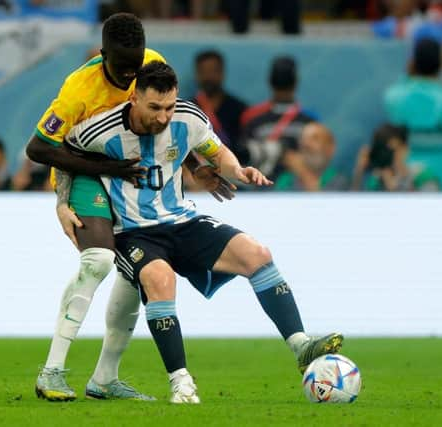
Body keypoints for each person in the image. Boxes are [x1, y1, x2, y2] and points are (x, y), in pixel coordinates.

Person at [64, 61, 344, 404]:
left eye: (169, 106)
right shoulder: (100, 130)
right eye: (155, 108)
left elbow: (216, 152)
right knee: (160, 278)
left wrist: (237, 170)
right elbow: (63, 155)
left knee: (257, 254)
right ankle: (181, 382)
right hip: (132, 232)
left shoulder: (188, 117)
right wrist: (64, 203)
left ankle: (300, 345)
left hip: (181, 220)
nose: (164, 117)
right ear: (134, 98)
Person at [26, 12, 232, 402]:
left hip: (133, 173)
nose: (128, 77)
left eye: (133, 68)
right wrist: (64, 198)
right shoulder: (78, 90)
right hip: (87, 174)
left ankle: (104, 380)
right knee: (99, 260)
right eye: (120, 69)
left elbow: (165, 121)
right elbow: (38, 148)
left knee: (135, 269)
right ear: (102, 55)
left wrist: (192, 165)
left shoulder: (149, 65)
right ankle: (51, 372)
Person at [384, 37, 442, 191]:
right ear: (440, 65)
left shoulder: (394, 98)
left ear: (412, 64)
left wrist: (409, 75)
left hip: (410, 181)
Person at [239, 56, 317, 184]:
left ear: (270, 81)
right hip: (298, 191)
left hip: (264, 188)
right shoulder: (309, 121)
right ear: (296, 81)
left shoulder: (253, 119)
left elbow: (243, 158)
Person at [352, 123, 441, 191]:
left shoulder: (422, 176)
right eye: (384, 150)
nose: (389, 155)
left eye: (393, 150)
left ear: (406, 149)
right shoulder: (376, 180)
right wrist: (358, 173)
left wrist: (396, 189)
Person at [192, 50, 247, 156]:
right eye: (203, 71)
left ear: (222, 73)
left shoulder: (239, 109)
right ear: (197, 74)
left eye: (213, 71)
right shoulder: (189, 109)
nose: (208, 77)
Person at [276, 123, 348, 191]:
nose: (306, 144)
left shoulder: (339, 181)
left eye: (315, 138)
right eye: (303, 139)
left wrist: (304, 173)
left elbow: (321, 201)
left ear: (330, 148)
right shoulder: (286, 180)